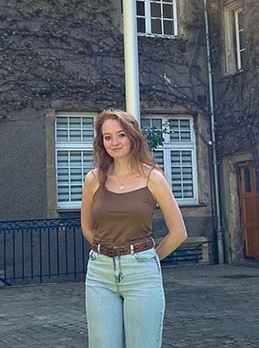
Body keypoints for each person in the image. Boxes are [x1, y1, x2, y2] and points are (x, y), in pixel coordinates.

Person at [81, 109, 187, 348]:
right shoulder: (93, 180)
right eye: (107, 137)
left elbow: (179, 233)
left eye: (120, 135)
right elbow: (87, 227)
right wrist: (107, 254)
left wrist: (146, 258)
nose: (114, 142)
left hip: (141, 274)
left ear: (133, 137)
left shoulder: (153, 178)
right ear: (101, 142)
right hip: (100, 274)